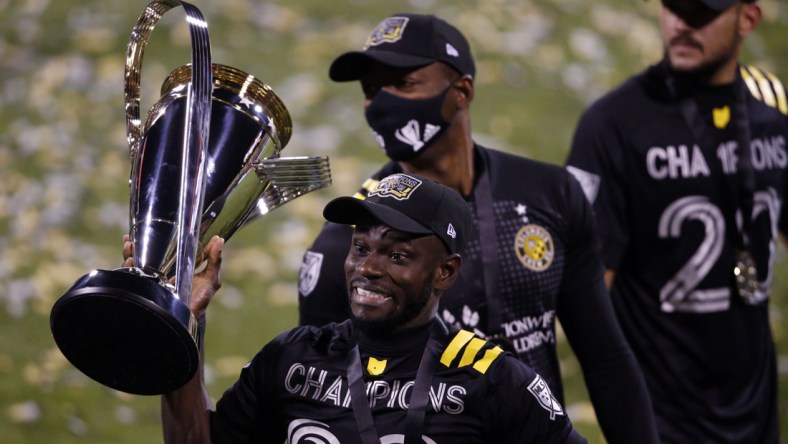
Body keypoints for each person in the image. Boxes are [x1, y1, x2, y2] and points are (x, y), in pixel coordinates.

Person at [297, 12, 659, 444]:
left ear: (462, 91)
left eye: (403, 83)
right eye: (372, 90)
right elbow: (326, 409)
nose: (382, 102)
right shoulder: (350, 246)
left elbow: (605, 358)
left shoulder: (551, 195)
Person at [154, 173, 587, 443]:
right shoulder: (294, 358)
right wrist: (181, 322)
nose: (369, 268)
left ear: (445, 272)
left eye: (397, 256)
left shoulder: (490, 379)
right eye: (361, 247)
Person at [565, 0, 786, 442]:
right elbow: (584, 295)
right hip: (662, 421)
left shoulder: (773, 115)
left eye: (702, 12)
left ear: (748, 18)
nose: (682, 24)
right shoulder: (612, 124)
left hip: (757, 412)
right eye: (674, 7)